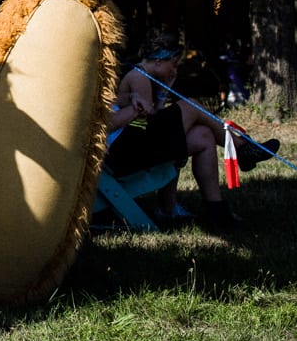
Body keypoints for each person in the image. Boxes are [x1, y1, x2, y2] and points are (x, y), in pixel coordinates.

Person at [106, 32, 280, 231]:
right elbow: (148, 118)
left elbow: (150, 115)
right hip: (126, 151)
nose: (175, 69)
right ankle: (242, 148)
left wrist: (163, 93)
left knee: (204, 136)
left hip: (134, 143)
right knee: (191, 105)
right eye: (173, 63)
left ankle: (217, 211)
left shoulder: (143, 76)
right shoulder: (140, 76)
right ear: (158, 61)